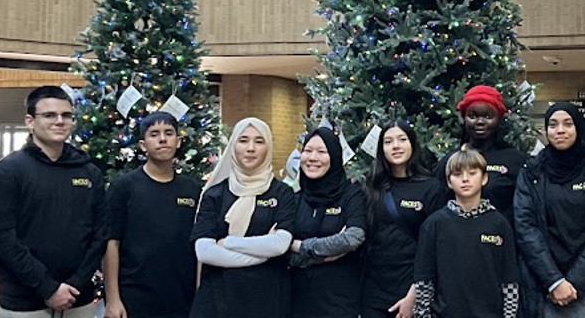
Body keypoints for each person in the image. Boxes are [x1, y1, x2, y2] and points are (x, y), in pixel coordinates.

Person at [0, 86, 106, 318]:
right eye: (50, 115)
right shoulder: (9, 171)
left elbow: (100, 233)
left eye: (66, 115)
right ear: (30, 121)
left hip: (77, 296)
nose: (60, 121)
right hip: (23, 300)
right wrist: (47, 287)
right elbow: (2, 236)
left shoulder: (90, 172)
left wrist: (78, 282)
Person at [515, 102, 585, 318]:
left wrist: (575, 281)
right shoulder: (531, 172)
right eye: (553, 125)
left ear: (579, 127)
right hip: (542, 284)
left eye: (567, 124)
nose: (560, 130)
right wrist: (554, 280)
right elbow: (526, 227)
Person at [189, 118, 297, 318]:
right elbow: (205, 252)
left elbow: (280, 245)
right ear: (233, 146)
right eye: (243, 140)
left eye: (259, 141)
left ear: (268, 147)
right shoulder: (214, 194)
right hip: (217, 300)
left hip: (267, 300)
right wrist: (264, 252)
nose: (250, 148)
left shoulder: (283, 193)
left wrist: (227, 242)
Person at [102, 112, 203, 318]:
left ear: (178, 141)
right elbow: (111, 243)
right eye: (154, 134)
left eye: (169, 133)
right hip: (135, 299)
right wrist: (113, 299)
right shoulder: (124, 187)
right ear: (142, 145)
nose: (162, 139)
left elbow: (200, 245)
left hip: (182, 299)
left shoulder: (193, 189)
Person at [412, 150, 520, 318]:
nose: (465, 179)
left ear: (484, 178)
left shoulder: (500, 224)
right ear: (449, 181)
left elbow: (509, 281)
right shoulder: (434, 224)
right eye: (457, 174)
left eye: (472, 173)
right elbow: (425, 280)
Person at [361, 122, 445, 318]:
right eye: (388, 141)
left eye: (402, 139)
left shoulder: (431, 187)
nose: (395, 146)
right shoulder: (371, 187)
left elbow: (436, 245)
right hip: (372, 291)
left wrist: (416, 293)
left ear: (413, 145)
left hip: (412, 285)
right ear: (381, 149)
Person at [289, 128, 367, 317]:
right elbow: (279, 246)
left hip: (338, 303)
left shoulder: (351, 194)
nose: (313, 158)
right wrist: (324, 253)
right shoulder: (293, 198)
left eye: (322, 152)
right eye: (307, 151)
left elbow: (353, 238)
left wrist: (300, 246)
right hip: (295, 301)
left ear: (334, 156)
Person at [434, 85, 527, 225]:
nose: (480, 122)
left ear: (499, 119)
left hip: (501, 238)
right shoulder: (450, 161)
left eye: (488, 116)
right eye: (472, 116)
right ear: (464, 119)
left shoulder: (515, 161)